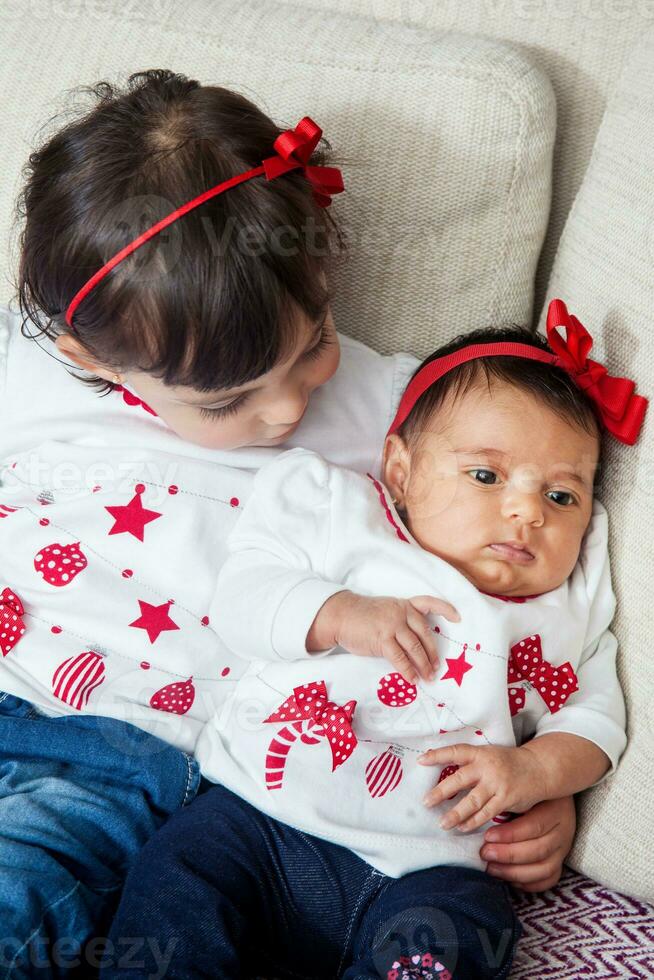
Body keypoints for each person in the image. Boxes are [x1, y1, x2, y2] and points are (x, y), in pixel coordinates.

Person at [0, 67, 582, 976]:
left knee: (21, 893)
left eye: (313, 345)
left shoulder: (401, 410)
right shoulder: (25, 370)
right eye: (230, 400)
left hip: (121, 759)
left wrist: (544, 774)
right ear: (96, 358)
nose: (283, 413)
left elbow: (522, 538)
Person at [102, 300, 646, 979]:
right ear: (401, 470)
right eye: (486, 475)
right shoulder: (342, 514)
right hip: (261, 822)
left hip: (435, 869)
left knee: (467, 937)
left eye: (561, 497)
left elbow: (598, 719)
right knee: (177, 880)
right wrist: (338, 613)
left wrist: (539, 776)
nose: (526, 511)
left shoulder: (573, 601)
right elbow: (242, 599)